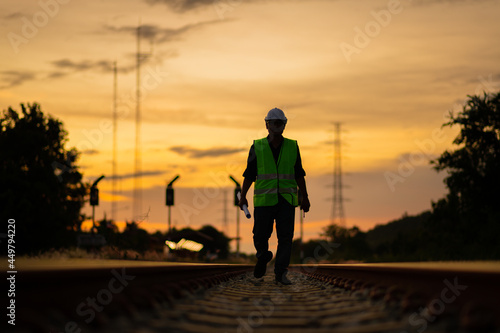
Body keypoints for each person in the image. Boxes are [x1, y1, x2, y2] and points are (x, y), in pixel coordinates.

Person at [238, 107, 310, 285]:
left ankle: (280, 273)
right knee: (259, 235)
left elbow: (299, 173)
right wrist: (243, 195)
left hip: (286, 200)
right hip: (264, 201)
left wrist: (305, 197)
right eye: (274, 123)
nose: (277, 126)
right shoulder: (258, 146)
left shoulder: (292, 146)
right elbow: (249, 173)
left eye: (281, 123)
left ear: (284, 125)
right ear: (267, 125)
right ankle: (263, 256)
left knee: (285, 238)